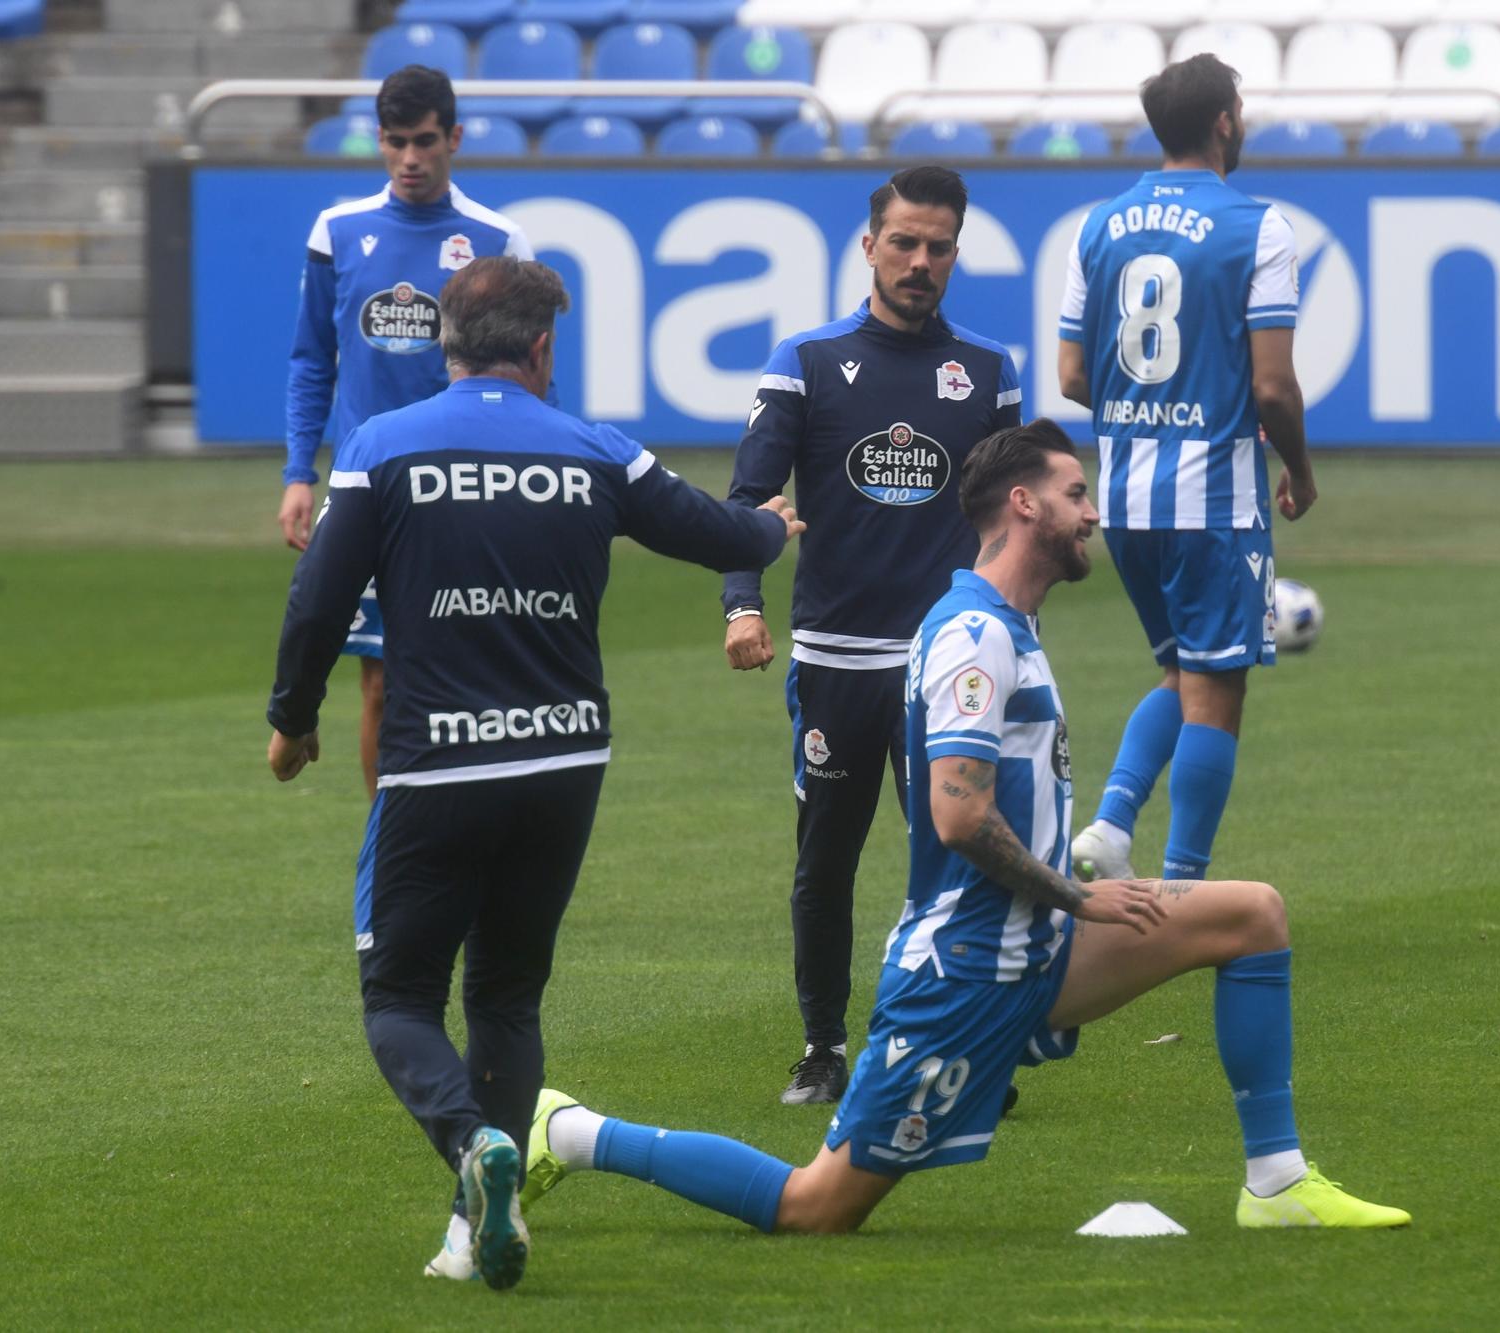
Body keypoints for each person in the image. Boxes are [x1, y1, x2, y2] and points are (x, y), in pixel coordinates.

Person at [514, 420, 1406, 1240]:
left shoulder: (1009, 622)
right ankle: (578, 1130)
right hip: (967, 967)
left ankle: (1278, 1181)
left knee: (1253, 916)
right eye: (1075, 493)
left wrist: (1068, 908)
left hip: (1037, 945)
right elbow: (957, 812)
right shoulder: (974, 635)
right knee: (815, 1206)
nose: (1093, 512)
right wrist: (1078, 895)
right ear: (1024, 505)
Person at [263, 256, 804, 1291]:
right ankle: (471, 1235)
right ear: (543, 347)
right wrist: (767, 529)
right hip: (564, 760)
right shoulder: (592, 448)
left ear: (444, 346)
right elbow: (713, 532)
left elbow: (316, 603)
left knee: (400, 1000)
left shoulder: (383, 446)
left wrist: (293, 721)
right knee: (507, 992)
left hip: (434, 769)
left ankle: (472, 1146)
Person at [721, 165, 1024, 1105]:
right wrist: (743, 603)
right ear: (869, 245)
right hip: (836, 662)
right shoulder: (805, 360)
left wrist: (1019, 630)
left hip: (949, 663)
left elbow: (1010, 522)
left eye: (938, 246)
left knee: (962, 851)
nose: (920, 261)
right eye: (904, 242)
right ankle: (822, 1045)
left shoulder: (987, 369)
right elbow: (748, 498)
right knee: (827, 860)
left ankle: (966, 1043)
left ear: (957, 252)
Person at [1057, 55, 1318, 889]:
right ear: (1226, 122)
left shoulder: (1097, 225)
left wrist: (1148, 406)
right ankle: (1182, 884)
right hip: (1214, 498)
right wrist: (1301, 471)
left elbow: (1070, 376)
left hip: (1126, 498)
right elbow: (1273, 384)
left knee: (1181, 672)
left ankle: (1109, 824)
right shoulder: (1257, 226)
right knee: (1218, 690)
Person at [279, 64, 535, 801]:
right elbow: (310, 360)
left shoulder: (498, 239)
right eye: (396, 143)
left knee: (479, 682)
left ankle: (472, 844)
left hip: (470, 489)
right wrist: (300, 473)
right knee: (383, 685)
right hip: (373, 493)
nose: (411, 159)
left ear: (453, 137)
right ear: (380, 143)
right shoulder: (339, 231)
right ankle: (392, 856)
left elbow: (533, 376)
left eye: (425, 141)